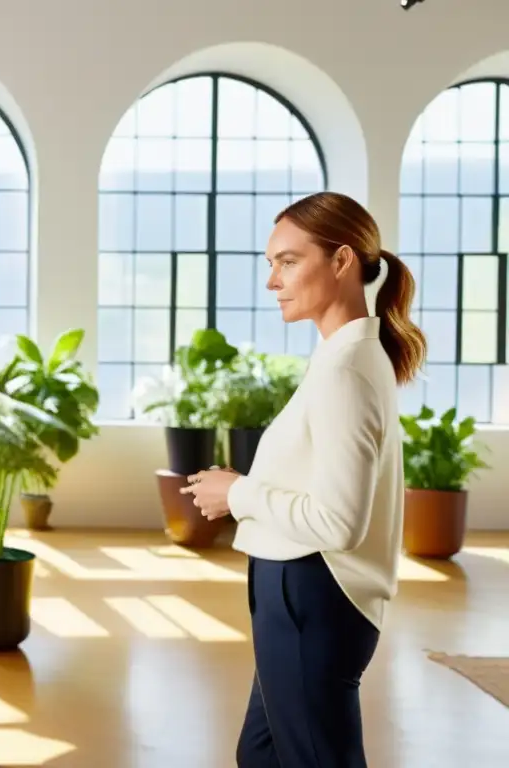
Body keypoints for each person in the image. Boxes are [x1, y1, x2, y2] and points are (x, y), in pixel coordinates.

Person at [181, 191, 426, 767]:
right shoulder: (344, 357)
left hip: (314, 594)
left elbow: (338, 521)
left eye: (288, 262)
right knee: (262, 755)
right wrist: (242, 485)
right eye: (271, 264)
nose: (273, 281)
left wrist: (237, 493)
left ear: (342, 261)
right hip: (302, 595)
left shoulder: (346, 369)